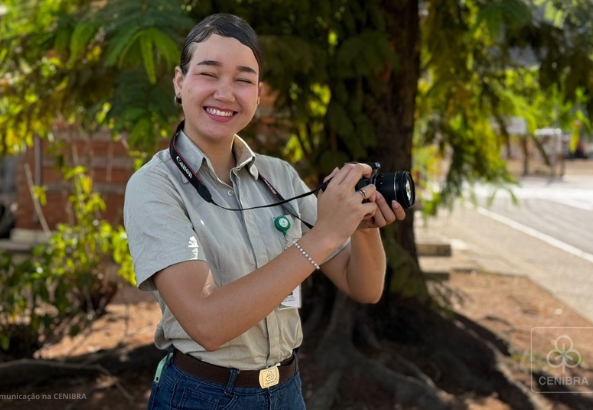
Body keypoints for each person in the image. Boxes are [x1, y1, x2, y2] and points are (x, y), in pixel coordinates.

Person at [123, 13, 406, 410]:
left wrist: (361, 225)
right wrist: (323, 235)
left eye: (243, 79)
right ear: (179, 82)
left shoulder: (279, 176)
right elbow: (207, 325)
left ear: (258, 93)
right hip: (201, 395)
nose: (226, 93)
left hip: (287, 390)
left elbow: (364, 287)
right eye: (209, 73)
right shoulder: (155, 186)